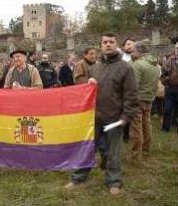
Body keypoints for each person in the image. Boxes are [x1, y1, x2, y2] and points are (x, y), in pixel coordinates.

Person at [64, 33, 139, 195]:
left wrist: (126, 117)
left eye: (111, 42)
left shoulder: (126, 68)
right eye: (105, 42)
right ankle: (78, 178)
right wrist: (88, 85)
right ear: (101, 45)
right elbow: (87, 93)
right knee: (87, 150)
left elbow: (131, 95)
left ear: (116, 44)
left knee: (113, 153)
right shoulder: (94, 68)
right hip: (94, 118)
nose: (108, 44)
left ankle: (114, 181)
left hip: (115, 118)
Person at [129, 42, 160, 162]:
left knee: (136, 128)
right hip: (149, 99)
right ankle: (146, 150)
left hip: (138, 99)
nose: (131, 53)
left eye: (133, 51)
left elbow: (133, 86)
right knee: (147, 124)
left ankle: (136, 155)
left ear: (139, 51)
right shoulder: (155, 65)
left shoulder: (137, 64)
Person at [161, 42, 178, 132]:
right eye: (177, 48)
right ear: (174, 49)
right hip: (170, 89)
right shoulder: (169, 61)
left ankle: (175, 123)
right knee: (167, 109)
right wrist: (167, 82)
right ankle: (165, 128)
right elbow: (163, 75)